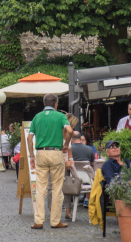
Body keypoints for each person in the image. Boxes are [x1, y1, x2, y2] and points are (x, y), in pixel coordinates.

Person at [27, 93, 73, 230]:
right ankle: (54, 221)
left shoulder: (37, 117)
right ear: (56, 104)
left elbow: (29, 139)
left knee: (41, 188)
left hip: (41, 152)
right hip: (56, 152)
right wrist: (66, 143)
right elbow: (69, 130)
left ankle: (39, 220)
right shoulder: (60, 116)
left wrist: (31, 155)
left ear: (44, 103)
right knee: (57, 188)